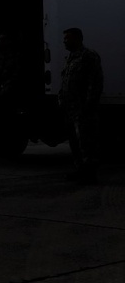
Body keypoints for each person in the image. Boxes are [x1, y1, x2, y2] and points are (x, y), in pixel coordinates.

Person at [58, 28, 103, 184]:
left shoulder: (88, 56)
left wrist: (88, 105)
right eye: (64, 39)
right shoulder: (70, 58)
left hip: (83, 109)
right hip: (70, 109)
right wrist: (61, 98)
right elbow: (66, 81)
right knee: (75, 142)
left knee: (87, 142)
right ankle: (80, 170)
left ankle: (90, 174)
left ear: (78, 39)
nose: (64, 41)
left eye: (67, 38)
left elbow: (95, 82)